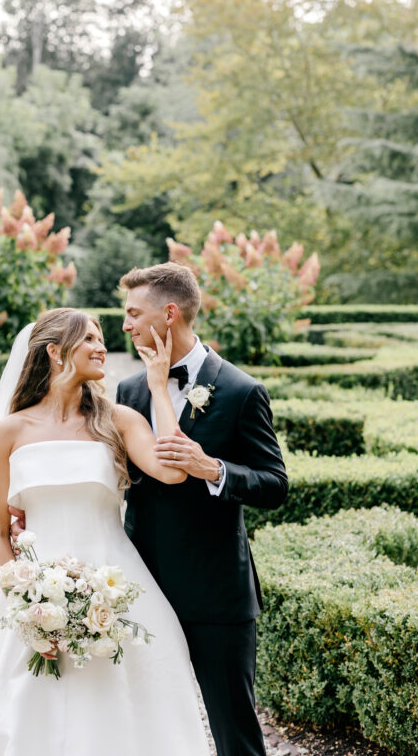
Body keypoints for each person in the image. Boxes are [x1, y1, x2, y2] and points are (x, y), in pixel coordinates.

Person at [0, 308, 211, 756]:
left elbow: (173, 474)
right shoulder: (11, 430)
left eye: (101, 338)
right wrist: (28, 607)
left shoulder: (117, 420)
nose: (102, 347)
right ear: (55, 352)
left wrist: (156, 385)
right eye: (90, 339)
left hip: (115, 585)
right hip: (34, 594)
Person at [116, 262, 289, 756]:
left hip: (217, 596)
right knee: (146, 730)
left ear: (169, 314)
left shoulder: (240, 391)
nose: (125, 325)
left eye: (133, 313)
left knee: (235, 733)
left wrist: (214, 469)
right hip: (142, 589)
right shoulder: (129, 392)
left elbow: (274, 485)